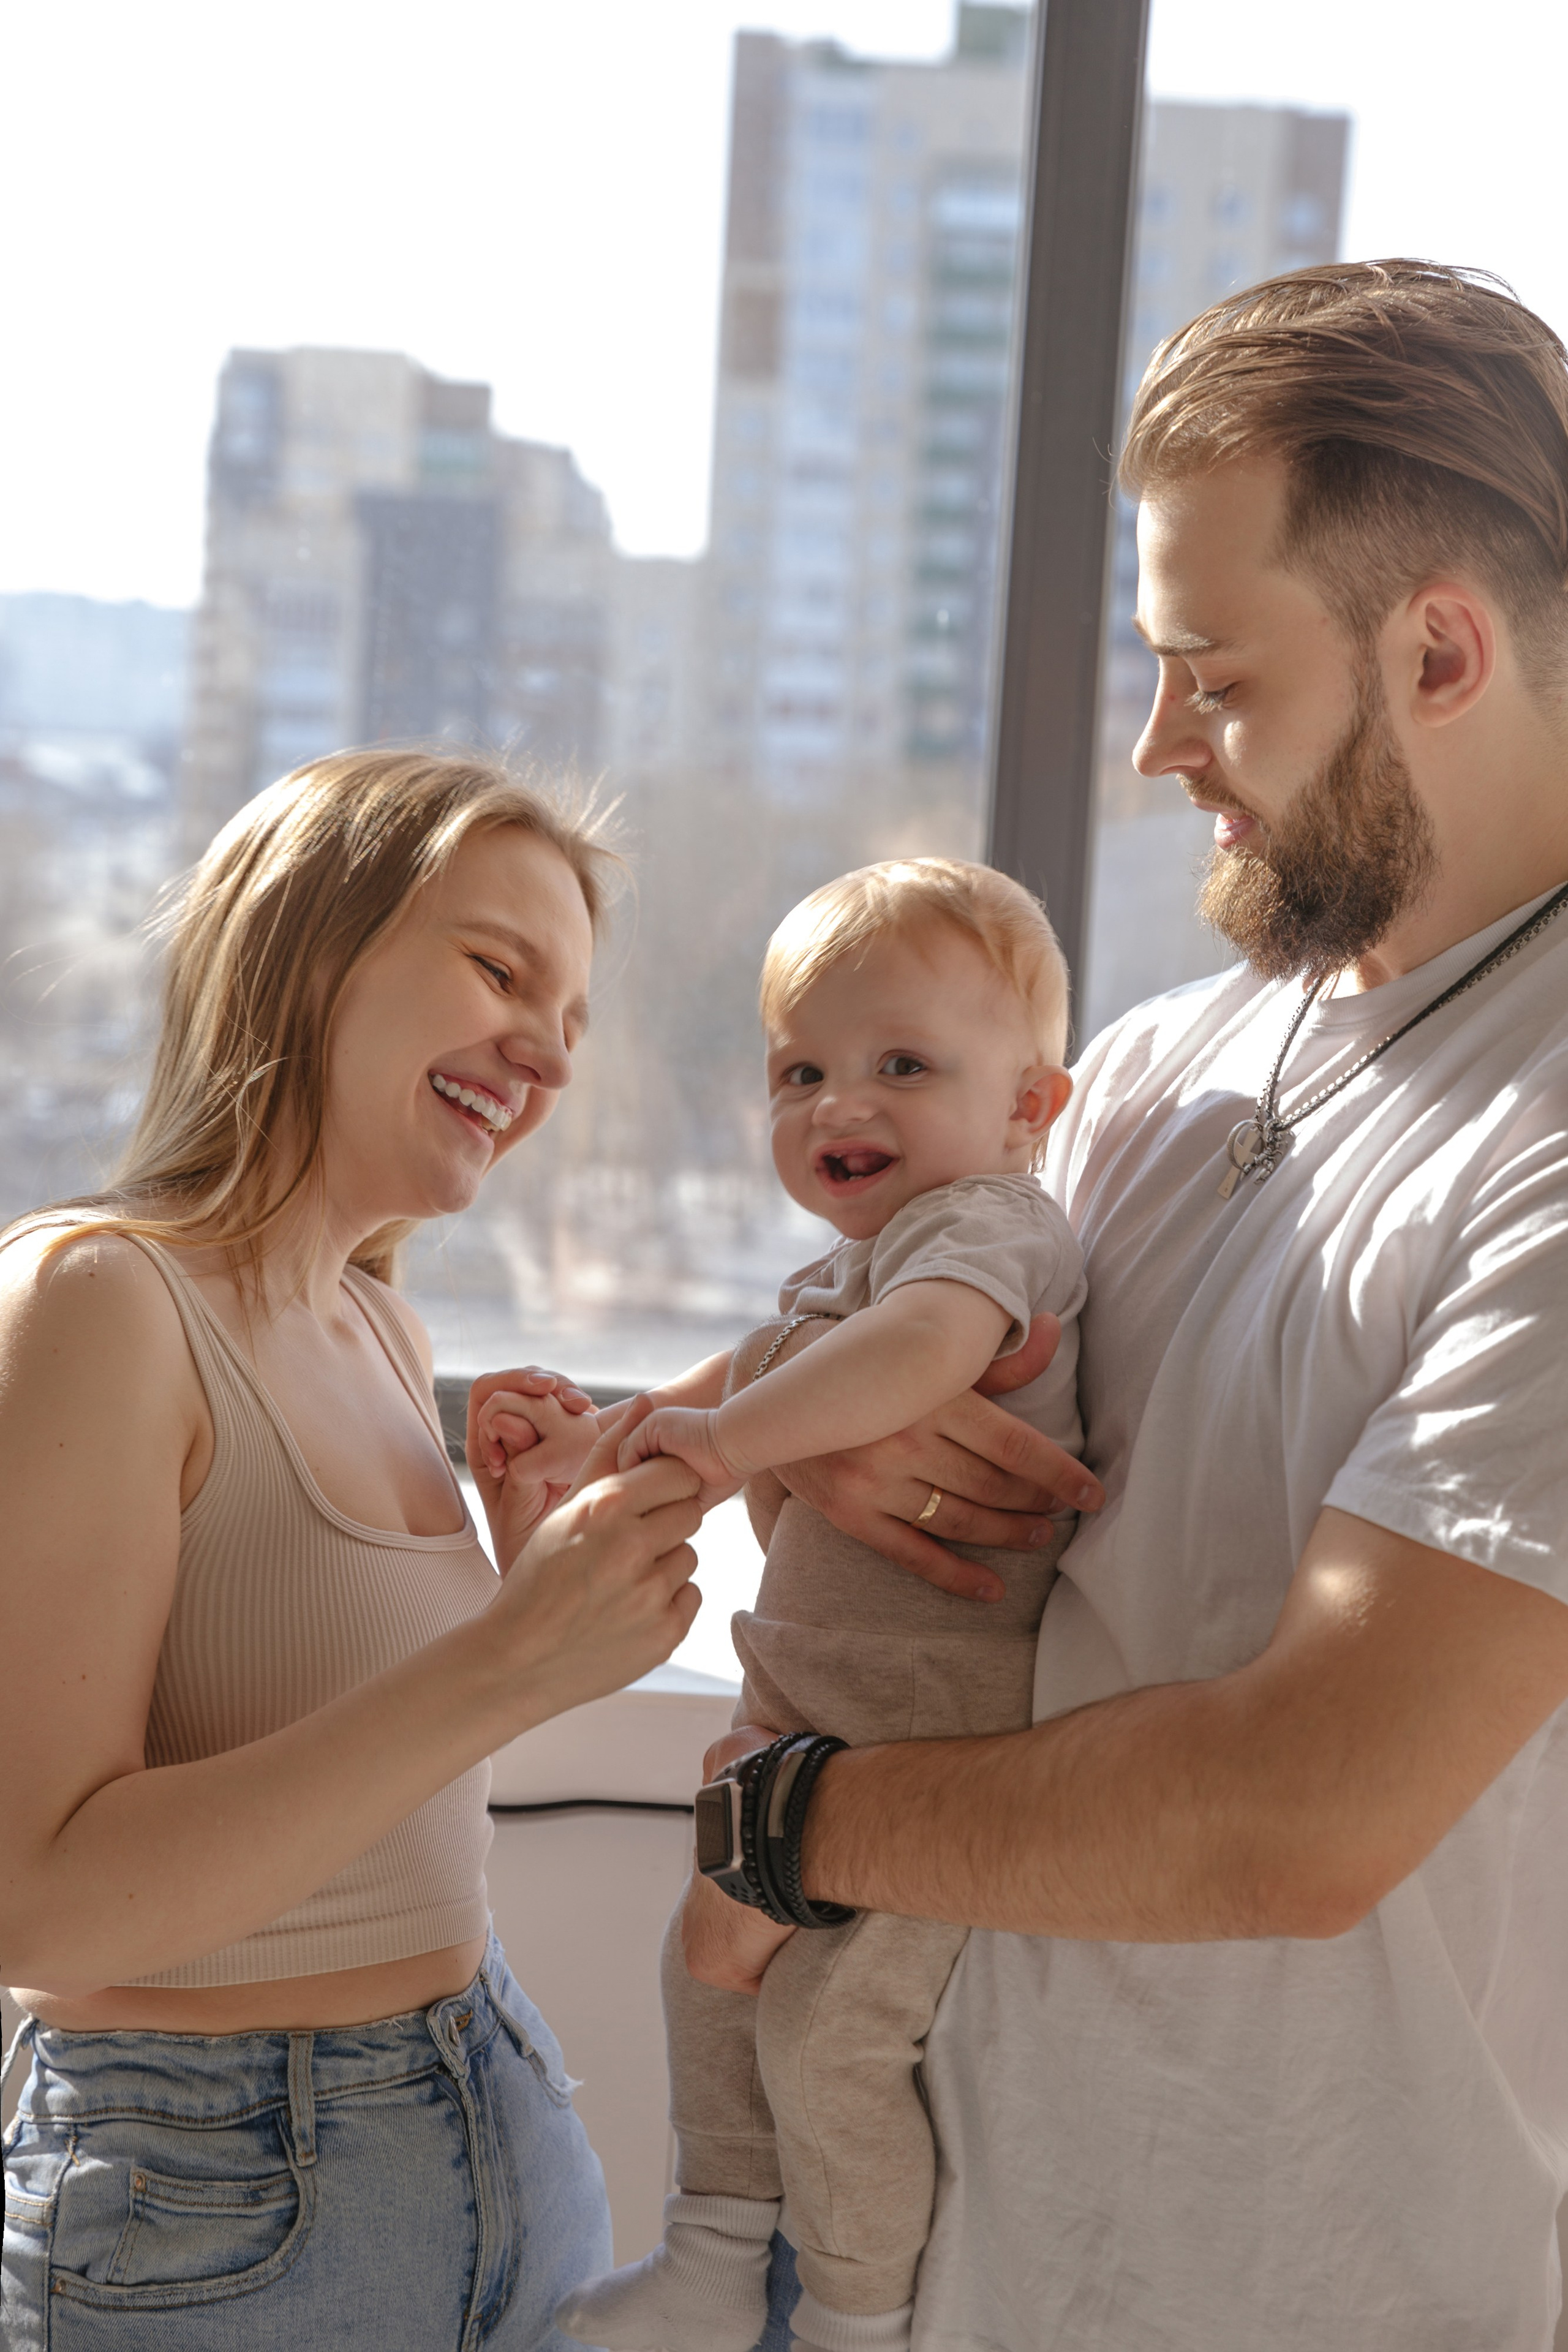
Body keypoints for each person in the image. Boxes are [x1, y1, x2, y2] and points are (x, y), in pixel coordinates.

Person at [674, 259, 1568, 2351]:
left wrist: (782, 1829)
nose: (1162, 744)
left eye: (1216, 679)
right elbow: (920, 1420)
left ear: (1440, 649)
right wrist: (853, 1429)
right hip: (962, 2263)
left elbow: (1296, 1814)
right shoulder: (1161, 1065)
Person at [0, 750, 705, 2351]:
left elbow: (365, 1768)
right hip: (215, 2201)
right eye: (500, 972)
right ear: (307, 947)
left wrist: (534, 1593)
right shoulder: (98, 1300)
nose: (549, 1056)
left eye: (572, 1017)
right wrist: (508, 1657)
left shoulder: (381, 1324)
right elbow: (34, 1906)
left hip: (490, 2110)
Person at [479, 858, 1086, 2352]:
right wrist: (596, 1442)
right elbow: (742, 1381)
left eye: (901, 1066)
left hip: (922, 1737)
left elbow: (914, 1358)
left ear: (1027, 1107)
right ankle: (708, 2254)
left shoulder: (984, 1231)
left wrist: (726, 1443)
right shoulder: (846, 1270)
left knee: (830, 2038)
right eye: (799, 1073)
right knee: (704, 1981)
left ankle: (852, 2318)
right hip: (806, 1718)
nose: (837, 1105)